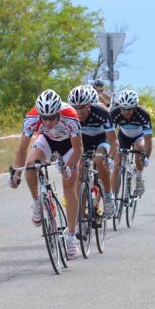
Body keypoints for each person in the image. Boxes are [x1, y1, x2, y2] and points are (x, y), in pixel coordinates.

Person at [9, 90, 83, 259]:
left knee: (69, 185)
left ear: (59, 113)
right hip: (47, 142)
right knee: (30, 165)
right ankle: (36, 201)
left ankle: (71, 237)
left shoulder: (71, 116)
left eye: (52, 118)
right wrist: (16, 175)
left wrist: (68, 167)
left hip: (69, 146)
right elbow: (21, 150)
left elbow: (78, 149)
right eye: (45, 118)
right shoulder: (32, 117)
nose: (48, 122)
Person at [67, 85, 118, 219]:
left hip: (102, 138)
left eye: (82, 107)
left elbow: (114, 142)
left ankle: (108, 196)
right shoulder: (69, 115)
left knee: (99, 161)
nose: (78, 112)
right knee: (80, 169)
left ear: (89, 105)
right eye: (75, 108)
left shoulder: (102, 113)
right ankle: (80, 214)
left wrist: (110, 158)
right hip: (84, 140)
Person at [110, 89, 153, 196]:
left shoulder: (143, 114)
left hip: (139, 136)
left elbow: (148, 139)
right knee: (117, 163)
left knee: (139, 148)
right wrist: (110, 156)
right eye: (123, 109)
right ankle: (112, 196)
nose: (126, 112)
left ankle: (139, 178)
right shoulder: (114, 113)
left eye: (129, 109)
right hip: (123, 136)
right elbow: (110, 136)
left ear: (135, 106)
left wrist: (146, 157)